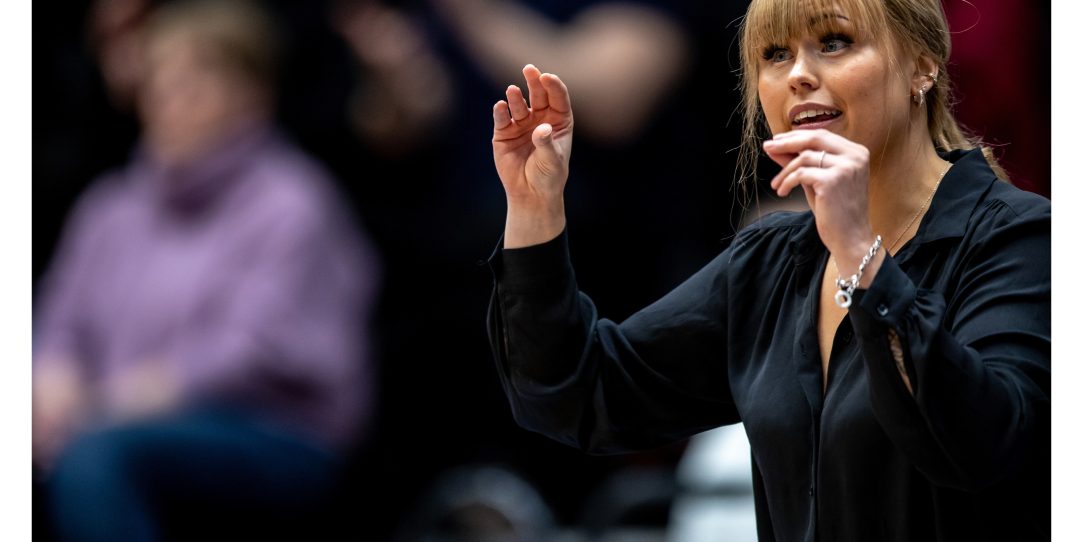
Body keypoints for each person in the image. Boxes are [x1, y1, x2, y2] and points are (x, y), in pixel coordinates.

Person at [483, 0, 1050, 540]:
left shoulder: (1021, 237)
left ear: (922, 67)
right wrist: (535, 208)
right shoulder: (773, 262)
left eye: (834, 42)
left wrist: (860, 253)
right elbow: (578, 396)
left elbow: (983, 446)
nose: (799, 74)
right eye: (775, 54)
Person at [32, 1, 379, 539]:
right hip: (110, 421)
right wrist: (52, 375)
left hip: (271, 435)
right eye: (160, 84)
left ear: (251, 97)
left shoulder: (293, 201)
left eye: (195, 83)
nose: (172, 103)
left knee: (98, 457)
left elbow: (259, 348)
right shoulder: (111, 207)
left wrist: (143, 394)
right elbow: (60, 320)